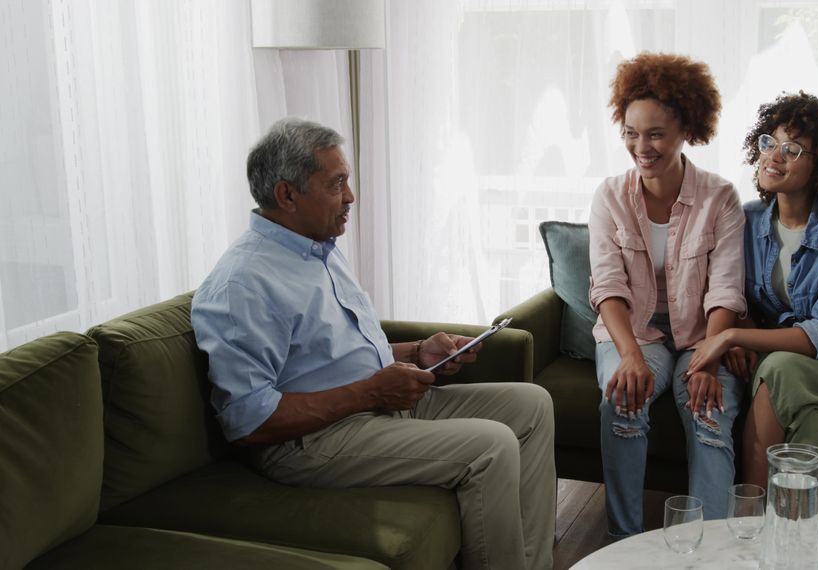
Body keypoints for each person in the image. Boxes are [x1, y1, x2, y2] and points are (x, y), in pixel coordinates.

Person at [191, 118, 556, 570]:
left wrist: (420, 352)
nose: (350, 197)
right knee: (492, 444)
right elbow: (248, 420)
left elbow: (338, 353)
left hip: (372, 409)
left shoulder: (317, 248)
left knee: (532, 406)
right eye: (336, 183)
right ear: (287, 195)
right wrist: (369, 393)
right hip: (309, 443)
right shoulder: (242, 284)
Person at [687, 91, 818, 488]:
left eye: (792, 150)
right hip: (778, 348)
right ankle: (793, 521)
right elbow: (731, 289)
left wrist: (730, 336)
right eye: (769, 143)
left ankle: (749, 520)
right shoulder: (747, 219)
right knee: (777, 372)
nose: (773, 156)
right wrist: (741, 327)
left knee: (775, 369)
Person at [588, 52, 747, 538]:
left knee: (708, 410)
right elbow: (607, 286)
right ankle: (624, 543)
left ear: (687, 129)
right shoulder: (610, 196)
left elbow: (725, 288)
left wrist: (708, 360)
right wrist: (630, 358)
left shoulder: (720, 197)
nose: (642, 146)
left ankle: (711, 550)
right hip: (634, 333)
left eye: (655, 134)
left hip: (703, 335)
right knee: (623, 399)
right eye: (632, 133)